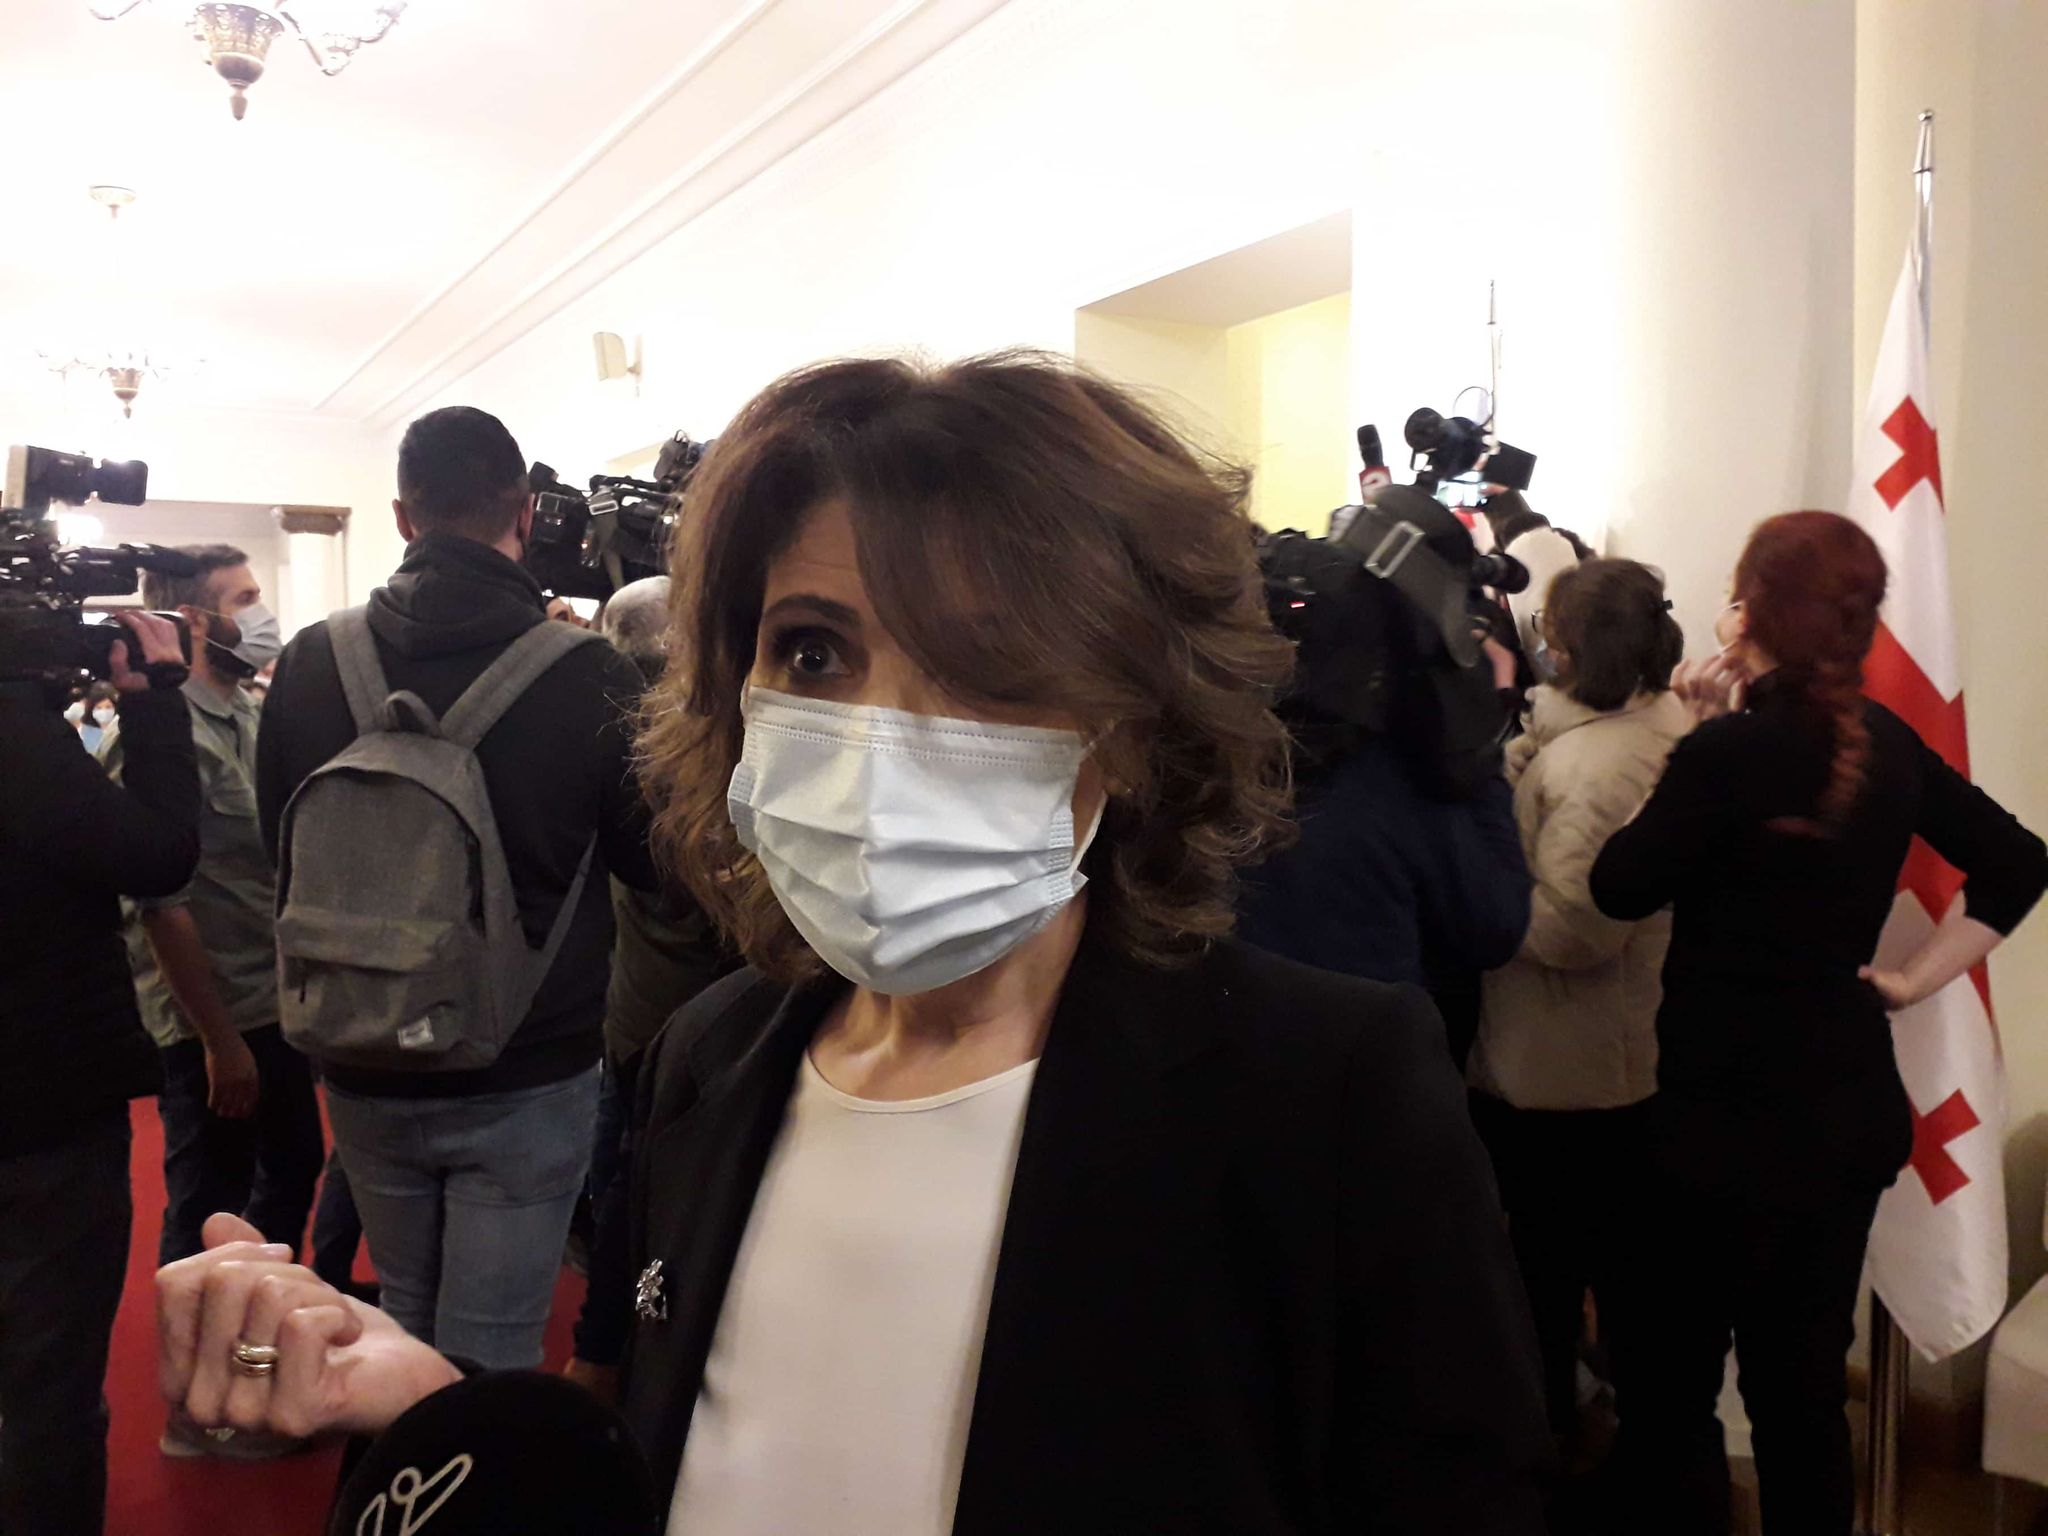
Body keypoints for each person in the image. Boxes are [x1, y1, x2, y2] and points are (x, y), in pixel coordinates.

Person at [160, 351, 1550, 1534]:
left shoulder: (1328, 1095)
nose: (881, 731)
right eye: (815, 652)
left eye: (988, 662)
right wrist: (436, 1407)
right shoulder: (705, 1062)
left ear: (1132, 723)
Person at [1589, 511, 2047, 1535]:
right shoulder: (1886, 744)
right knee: (1800, 1399)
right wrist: (1911, 981)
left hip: (1713, 1127)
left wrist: (1689, 737)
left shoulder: (1725, 752)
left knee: (1669, 1390)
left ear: (1749, 612)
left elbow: (1618, 886)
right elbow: (2019, 863)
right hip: (1840, 1117)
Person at [255, 405, 658, 1371]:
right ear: (524, 514)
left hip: (361, 1044)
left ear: (403, 517)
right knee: (495, 1343)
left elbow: (284, 849)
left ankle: (393, 1459)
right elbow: (652, 865)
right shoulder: (590, 673)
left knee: (403, 1308)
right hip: (528, 1062)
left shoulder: (310, 661)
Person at [1464, 559, 1691, 1479]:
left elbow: (1575, 929)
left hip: (1569, 1071)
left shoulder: (1601, 766)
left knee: (1553, 1279)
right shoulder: (1631, 730)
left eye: (1552, 636)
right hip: (1589, 1058)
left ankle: (1560, 1465)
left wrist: (1478, 901)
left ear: (1573, 650)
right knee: (1592, 1273)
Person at [1, 610, 198, 1536]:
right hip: (40, 1105)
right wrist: (151, 700)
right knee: (48, 1385)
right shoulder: (19, 743)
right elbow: (157, 855)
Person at [103, 547, 323, 1328]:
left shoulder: (250, 713)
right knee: (208, 1204)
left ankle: (257, 1334)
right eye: (245, 598)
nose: (262, 615)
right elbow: (159, 906)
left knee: (293, 1167)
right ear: (195, 618)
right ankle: (193, 1369)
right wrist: (220, 1042)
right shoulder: (159, 735)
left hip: (273, 996)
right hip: (210, 1015)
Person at [569, 574, 735, 1394]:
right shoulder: (703, 753)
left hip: (639, 1010)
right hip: (685, 1014)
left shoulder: (615, 743)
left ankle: (604, 1340)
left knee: (619, 1184)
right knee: (643, 1190)